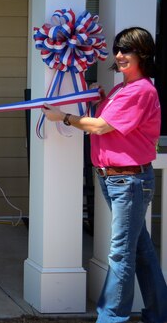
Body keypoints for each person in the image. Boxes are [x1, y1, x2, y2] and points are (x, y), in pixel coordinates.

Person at [42, 27, 167, 323]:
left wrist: (64, 117)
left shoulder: (141, 90)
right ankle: (159, 314)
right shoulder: (123, 89)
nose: (121, 55)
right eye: (118, 49)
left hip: (128, 180)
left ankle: (111, 318)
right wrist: (99, 98)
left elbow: (100, 127)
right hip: (116, 179)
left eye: (128, 50)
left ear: (144, 55)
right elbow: (108, 122)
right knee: (139, 250)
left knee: (121, 254)